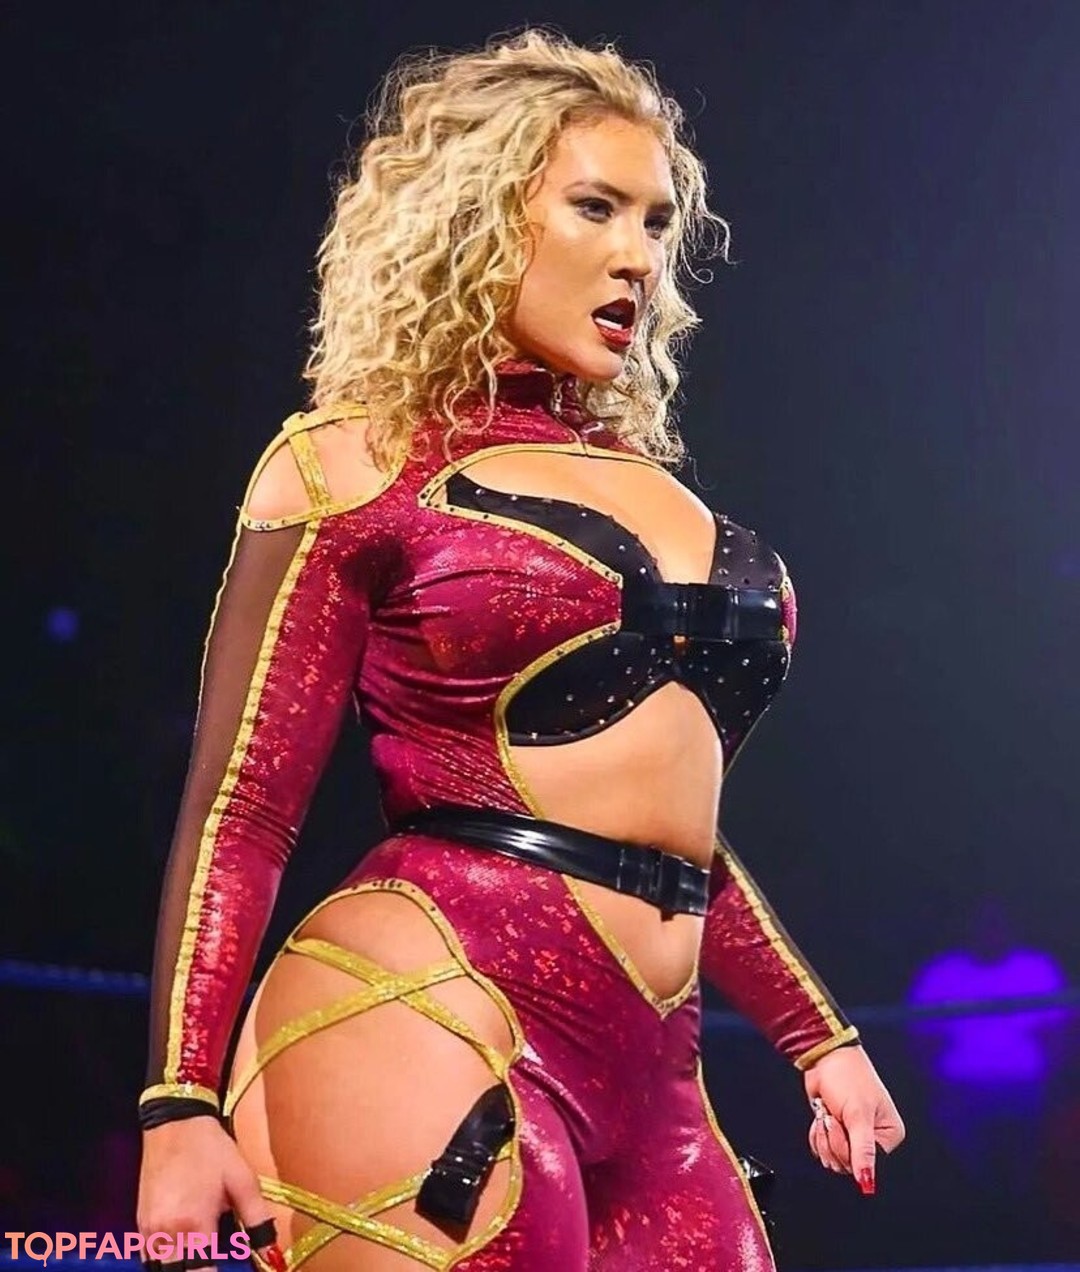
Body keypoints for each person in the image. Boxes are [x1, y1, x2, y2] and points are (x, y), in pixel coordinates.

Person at [136, 29, 905, 1272]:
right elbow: (246, 807)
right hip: (422, 1002)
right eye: (594, 207)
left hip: (655, 1065)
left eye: (656, 221)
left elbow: (667, 837)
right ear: (479, 218)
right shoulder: (355, 463)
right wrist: (178, 1101)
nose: (636, 255)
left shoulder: (653, 481)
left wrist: (819, 1036)